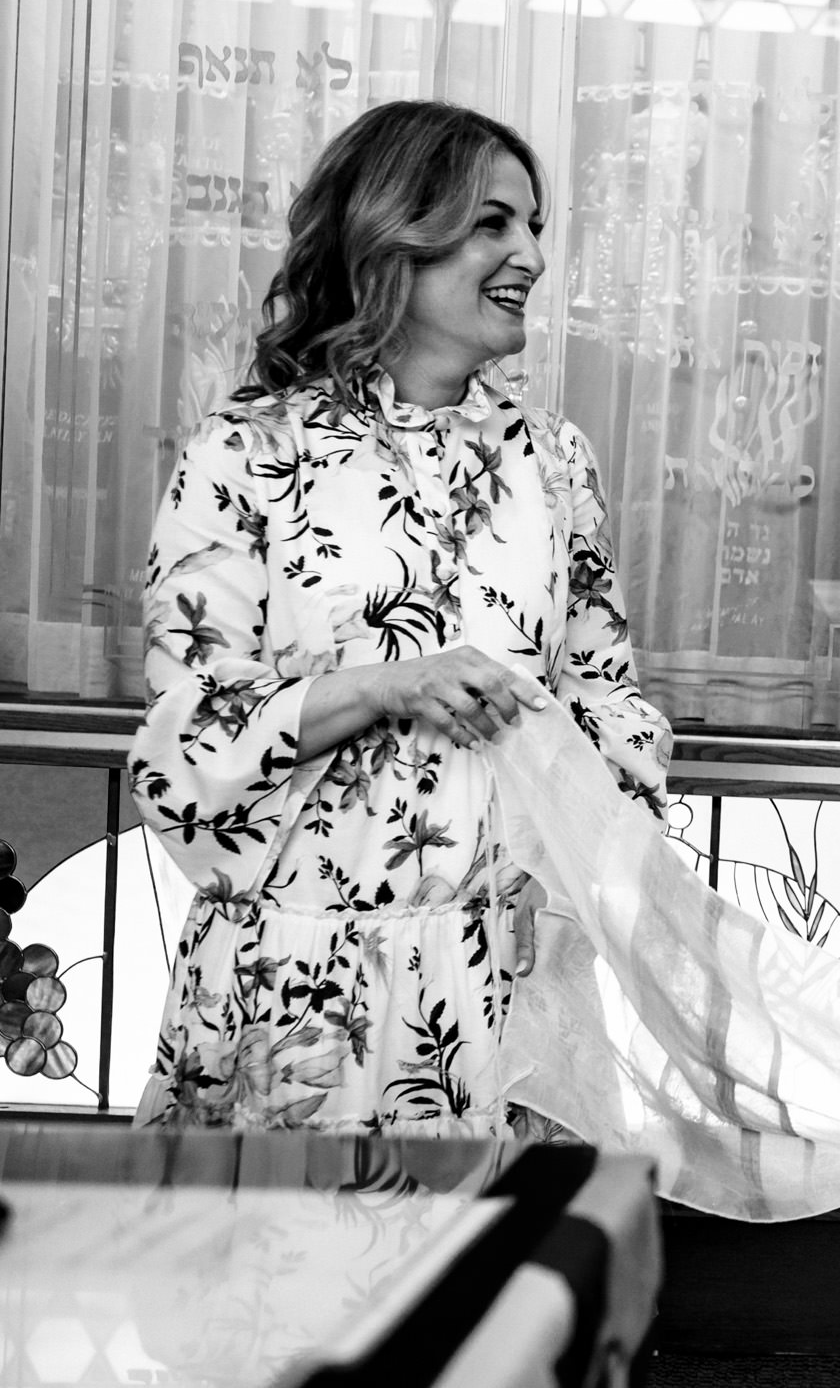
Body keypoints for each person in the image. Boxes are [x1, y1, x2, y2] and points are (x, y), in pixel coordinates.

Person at [129, 100, 672, 1134]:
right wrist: (390, 683)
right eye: (494, 223)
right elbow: (186, 745)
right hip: (298, 994)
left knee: (484, 1294)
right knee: (299, 1291)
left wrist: (579, 832)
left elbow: (609, 706)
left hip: (501, 995)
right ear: (396, 236)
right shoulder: (248, 455)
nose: (531, 257)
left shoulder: (556, 465)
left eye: (534, 227)